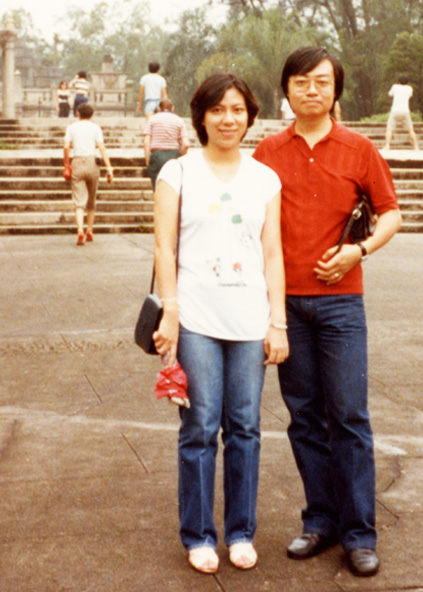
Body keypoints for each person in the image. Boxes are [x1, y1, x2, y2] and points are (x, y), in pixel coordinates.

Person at [253, 46, 402, 579]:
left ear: (336, 89)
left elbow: (390, 213)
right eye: (300, 81)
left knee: (350, 417)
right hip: (285, 304)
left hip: (341, 304)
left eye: (320, 81)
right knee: (304, 417)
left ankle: (359, 533)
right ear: (286, 90)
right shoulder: (268, 152)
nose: (311, 90)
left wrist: (359, 251)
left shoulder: (359, 149)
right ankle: (321, 520)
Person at [152, 73, 288, 575]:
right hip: (197, 319)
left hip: (251, 319)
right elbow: (164, 246)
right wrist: (170, 312)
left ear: (250, 116)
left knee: (246, 428)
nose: (228, 119)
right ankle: (198, 534)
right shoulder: (177, 173)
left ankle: (240, 531)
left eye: (237, 110)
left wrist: (278, 322)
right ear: (201, 117)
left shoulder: (265, 178)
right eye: (217, 110)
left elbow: (272, 252)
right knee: (200, 427)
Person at [63, 103, 114, 245]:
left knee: (79, 202)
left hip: (77, 162)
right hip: (92, 163)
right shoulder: (95, 127)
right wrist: (109, 167)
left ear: (78, 113)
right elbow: (102, 148)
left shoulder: (71, 127)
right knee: (91, 200)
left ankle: (80, 230)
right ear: (91, 115)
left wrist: (66, 163)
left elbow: (66, 146)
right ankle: (89, 230)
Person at [143, 99, 189, 188]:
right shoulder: (179, 120)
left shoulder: (152, 119)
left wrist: (148, 161)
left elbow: (146, 142)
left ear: (159, 109)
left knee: (157, 188)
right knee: (173, 188)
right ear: (172, 108)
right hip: (174, 156)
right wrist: (180, 157)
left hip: (157, 156)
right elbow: (186, 144)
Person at [384, 74, 419, 150]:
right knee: (410, 130)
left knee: (389, 129)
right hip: (405, 111)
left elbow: (389, 94)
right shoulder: (409, 88)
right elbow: (410, 96)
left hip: (395, 111)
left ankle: (387, 145)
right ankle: (416, 146)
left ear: (398, 81)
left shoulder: (395, 87)